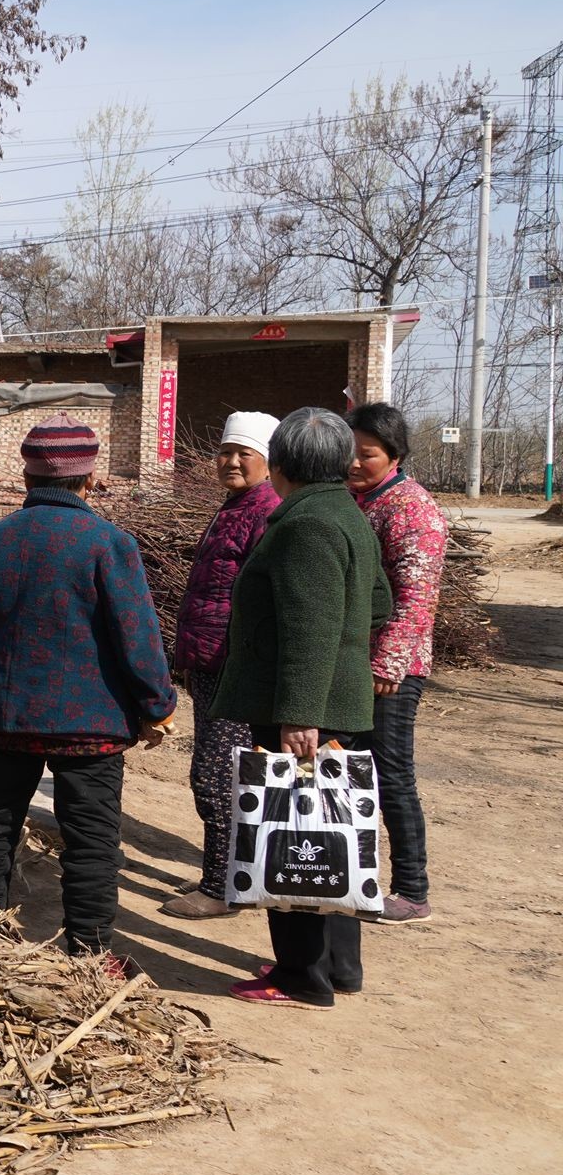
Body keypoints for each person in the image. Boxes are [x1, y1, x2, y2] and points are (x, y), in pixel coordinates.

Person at [0, 418, 176, 974]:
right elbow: (137, 635)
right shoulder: (110, 544)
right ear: (91, 475)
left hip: (2, 717)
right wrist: (157, 706)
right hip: (91, 724)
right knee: (92, 838)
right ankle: (90, 952)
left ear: (26, 473)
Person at [212, 408, 393, 1009]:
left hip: (304, 708)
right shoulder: (347, 514)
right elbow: (377, 605)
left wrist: (298, 714)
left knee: (295, 832)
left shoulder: (305, 525)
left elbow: (310, 629)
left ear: (282, 462)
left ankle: (300, 977)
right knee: (335, 831)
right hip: (335, 699)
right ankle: (337, 966)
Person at [162, 411, 283, 920]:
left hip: (234, 670)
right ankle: (227, 872)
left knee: (218, 777)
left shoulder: (266, 513)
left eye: (244, 455)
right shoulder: (235, 506)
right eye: (226, 453)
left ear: (269, 461)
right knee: (217, 773)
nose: (231, 462)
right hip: (211, 663)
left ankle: (221, 889)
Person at [347, 402, 447, 923]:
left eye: (368, 455)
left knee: (391, 774)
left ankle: (412, 888)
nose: (356, 463)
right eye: (351, 452)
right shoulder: (356, 501)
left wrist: (387, 664)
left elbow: (416, 597)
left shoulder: (411, 509)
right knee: (352, 772)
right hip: (351, 664)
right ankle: (354, 875)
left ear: (395, 456)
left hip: (392, 672)